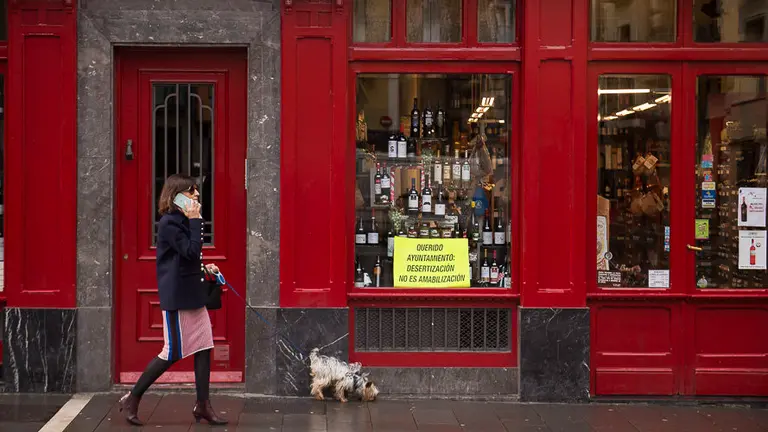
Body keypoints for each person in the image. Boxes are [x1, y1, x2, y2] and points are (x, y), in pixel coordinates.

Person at [118, 174, 227, 426]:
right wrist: (197, 220)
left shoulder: (182, 220)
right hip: (178, 299)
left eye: (196, 191)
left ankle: (203, 405)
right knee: (172, 352)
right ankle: (132, 398)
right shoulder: (169, 222)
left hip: (193, 295)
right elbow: (190, 250)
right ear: (176, 196)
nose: (197, 195)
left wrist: (203, 269)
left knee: (203, 347)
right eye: (191, 192)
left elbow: (185, 260)